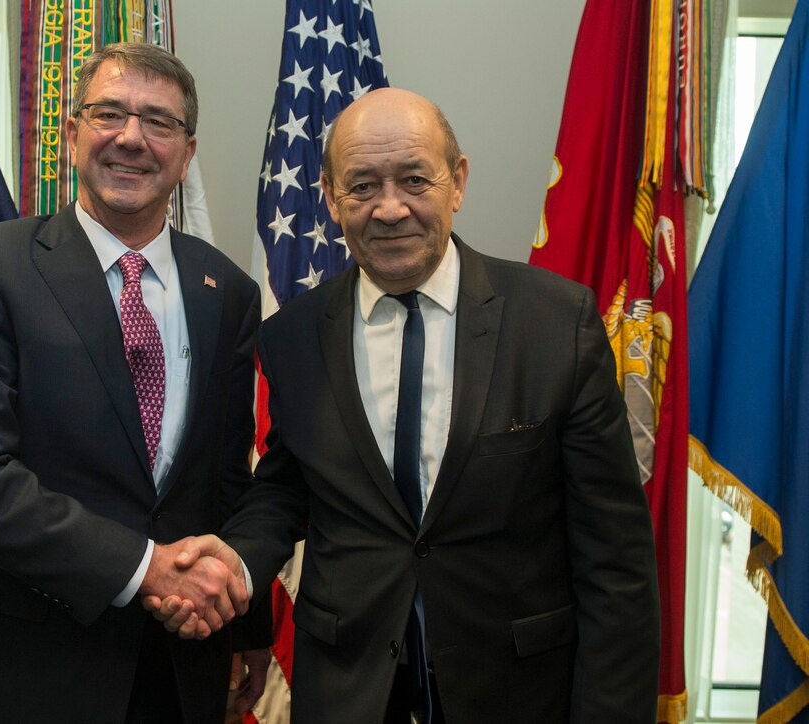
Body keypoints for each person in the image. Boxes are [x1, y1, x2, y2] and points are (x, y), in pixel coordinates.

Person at [151, 87, 661, 723]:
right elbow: (288, 488)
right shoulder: (292, 335)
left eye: (415, 179)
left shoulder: (557, 322)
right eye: (362, 185)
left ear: (458, 181)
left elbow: (616, 562)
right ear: (331, 198)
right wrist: (237, 565)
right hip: (349, 686)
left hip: (516, 690)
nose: (390, 209)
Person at [0, 42, 269, 723]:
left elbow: (226, 480)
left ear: (186, 153)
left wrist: (245, 628)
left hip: (177, 669)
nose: (132, 137)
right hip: (18, 675)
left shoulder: (226, 291)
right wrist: (146, 568)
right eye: (109, 113)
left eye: (158, 121)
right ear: (72, 133)